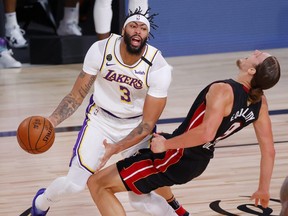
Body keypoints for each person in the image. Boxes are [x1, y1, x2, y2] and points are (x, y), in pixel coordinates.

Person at [30, 8, 188, 216]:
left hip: (136, 127)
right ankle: (42, 202)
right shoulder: (101, 50)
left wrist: (117, 147)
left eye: (142, 28)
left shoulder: (158, 67)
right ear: (123, 30)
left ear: (147, 35)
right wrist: (52, 120)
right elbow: (76, 95)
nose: (137, 31)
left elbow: (148, 124)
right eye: (133, 26)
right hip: (100, 121)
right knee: (75, 184)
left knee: (140, 200)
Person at [87, 50, 281, 215]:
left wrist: (166, 145)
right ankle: (177, 209)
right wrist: (263, 189)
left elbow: (206, 133)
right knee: (148, 147)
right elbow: (269, 151)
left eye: (258, 55)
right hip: (196, 160)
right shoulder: (260, 103)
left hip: (178, 156)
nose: (255, 51)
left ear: (251, 70)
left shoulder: (224, 90)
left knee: (97, 184)